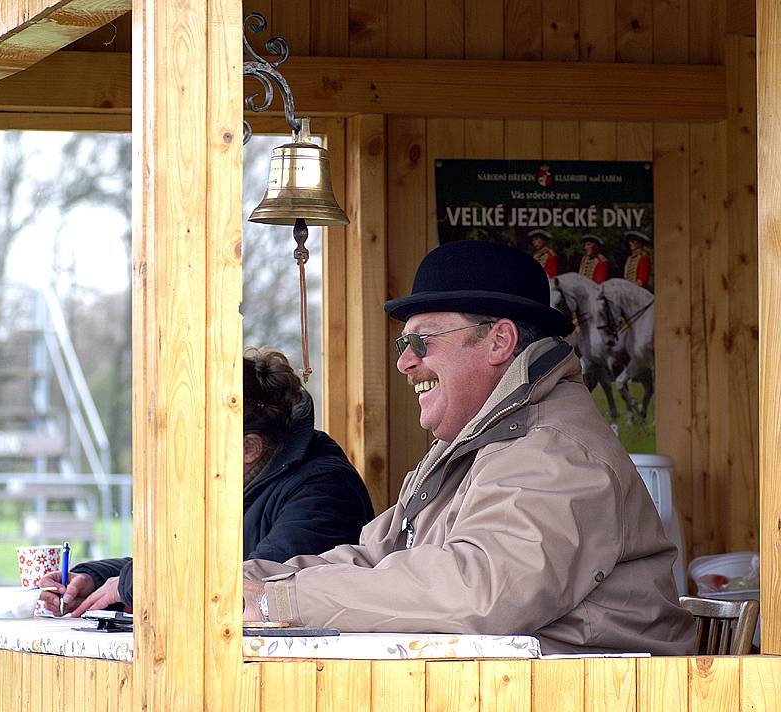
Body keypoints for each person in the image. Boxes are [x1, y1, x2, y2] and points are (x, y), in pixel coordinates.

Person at [242, 239, 695, 655]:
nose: (404, 361)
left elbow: (483, 591)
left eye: (422, 340)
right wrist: (254, 584)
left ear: (500, 340)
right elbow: (378, 555)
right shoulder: (476, 443)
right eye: (404, 342)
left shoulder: (553, 450)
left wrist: (280, 601)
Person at [39, 348, 374, 617]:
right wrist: (95, 578)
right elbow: (187, 566)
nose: (184, 450)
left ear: (249, 447)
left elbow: (252, 582)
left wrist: (131, 585)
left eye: (198, 436)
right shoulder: (240, 484)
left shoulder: (325, 491)